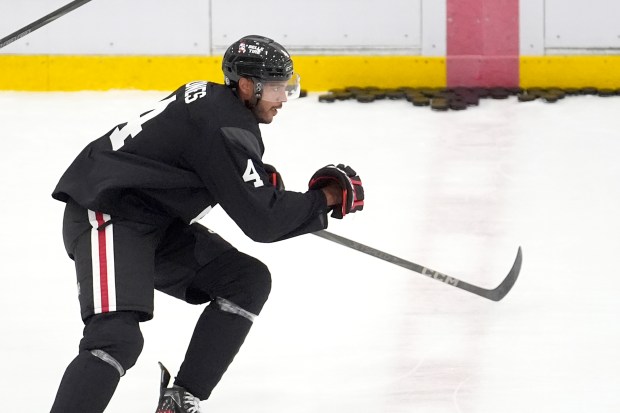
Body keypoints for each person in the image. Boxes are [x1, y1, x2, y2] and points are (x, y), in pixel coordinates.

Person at [49, 35, 364, 413]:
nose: (283, 98)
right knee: (115, 339)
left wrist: (259, 185)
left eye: (287, 87)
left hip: (152, 221)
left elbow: (216, 169)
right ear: (247, 85)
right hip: (107, 212)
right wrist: (324, 199)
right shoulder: (225, 125)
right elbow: (263, 221)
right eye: (277, 88)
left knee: (245, 281)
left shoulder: (217, 106)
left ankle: (180, 401)